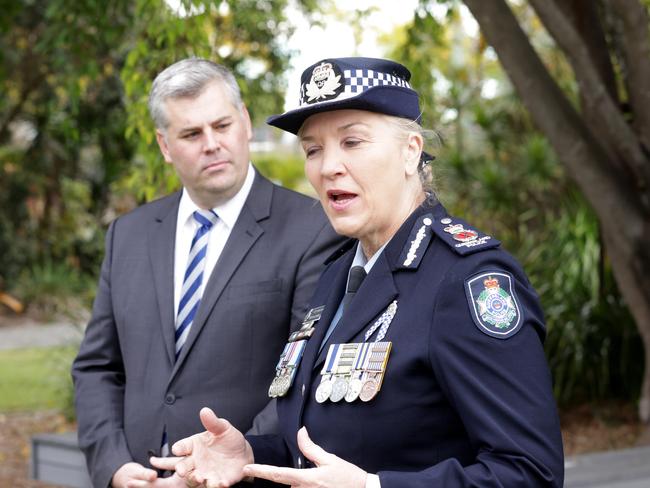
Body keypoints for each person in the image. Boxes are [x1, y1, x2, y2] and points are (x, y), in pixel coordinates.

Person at [151, 57, 565, 487]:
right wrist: (251, 453)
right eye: (313, 149)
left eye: (352, 142)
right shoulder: (338, 274)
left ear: (411, 152)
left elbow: (530, 472)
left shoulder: (464, 280)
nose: (328, 165)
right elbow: (326, 445)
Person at [71, 57, 344, 488]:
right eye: (192, 134)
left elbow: (304, 376)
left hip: (239, 480)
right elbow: (98, 367)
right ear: (164, 146)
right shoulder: (128, 234)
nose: (212, 143)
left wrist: (224, 465)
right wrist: (113, 465)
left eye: (222, 125)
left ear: (246, 123)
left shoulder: (313, 230)